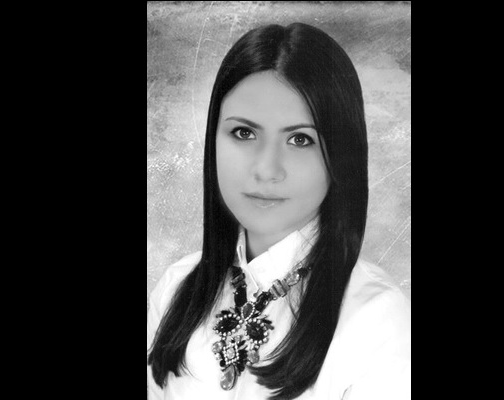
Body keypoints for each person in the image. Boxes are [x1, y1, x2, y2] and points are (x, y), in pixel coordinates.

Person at [147, 22, 411, 400]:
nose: (266, 169)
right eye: (244, 133)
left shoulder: (377, 320)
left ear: (341, 155)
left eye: (300, 139)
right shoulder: (176, 289)